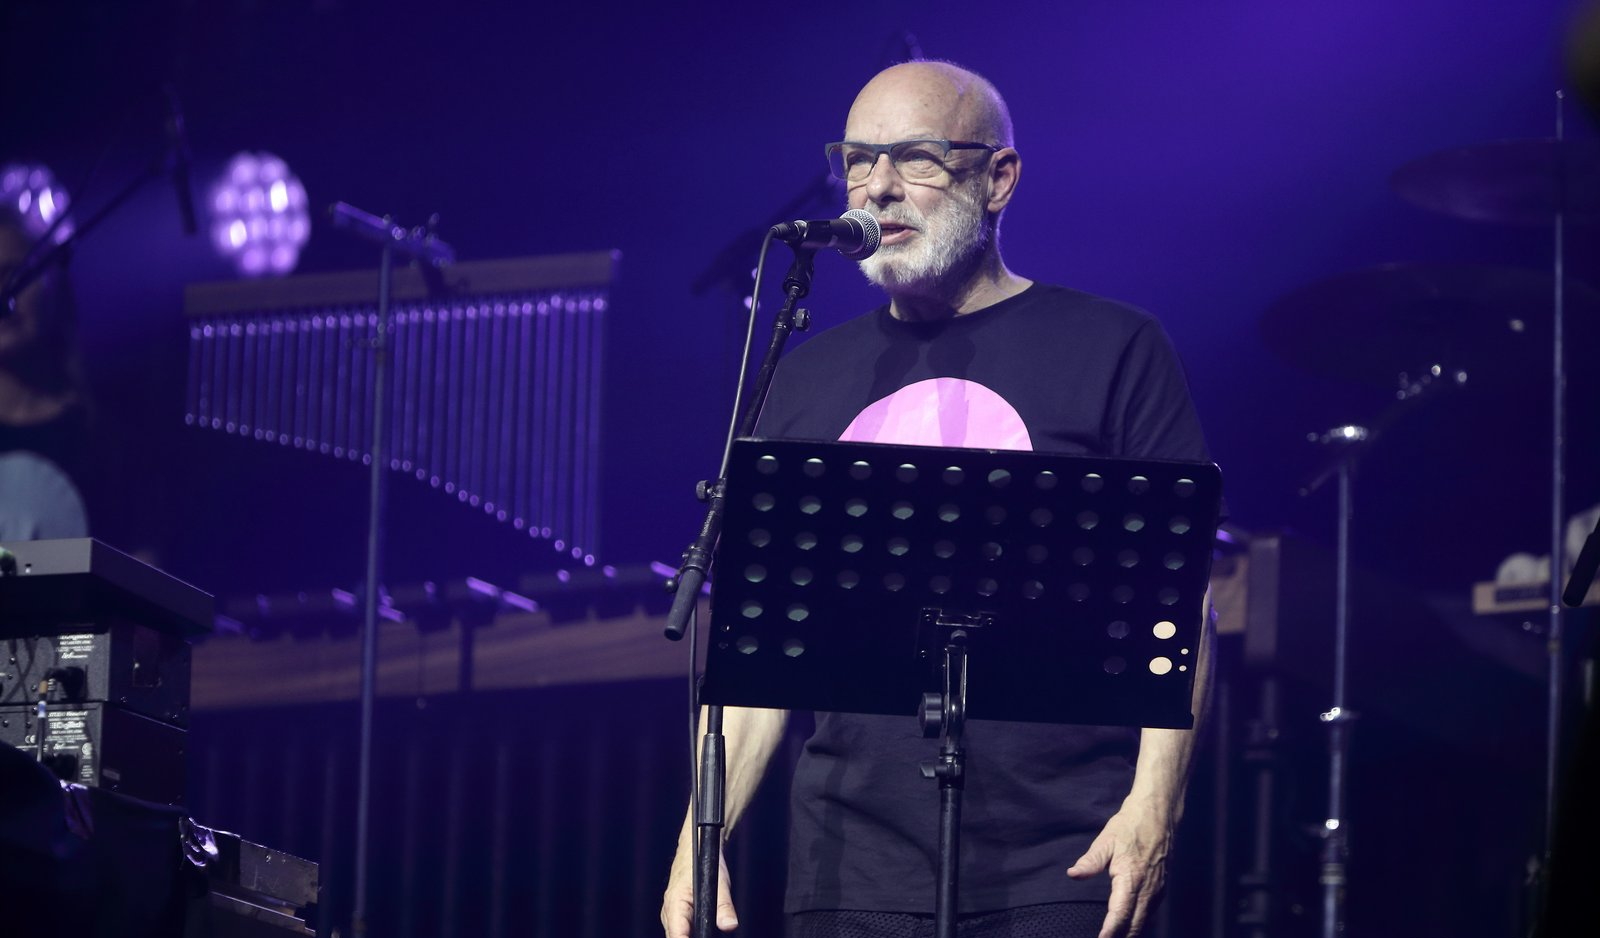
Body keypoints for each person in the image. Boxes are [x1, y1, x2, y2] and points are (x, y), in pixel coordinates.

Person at [662, 61, 1215, 938]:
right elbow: (758, 659)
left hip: (1061, 859)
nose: (878, 186)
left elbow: (1180, 608)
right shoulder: (803, 377)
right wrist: (701, 838)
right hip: (848, 864)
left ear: (999, 179)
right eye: (858, 160)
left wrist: (1155, 809)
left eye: (915, 158)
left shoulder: (1112, 348)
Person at [0, 206, 91, 540]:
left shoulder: (97, 434)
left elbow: (141, 568)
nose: (3, 297)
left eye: (13, 276)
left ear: (49, 283)